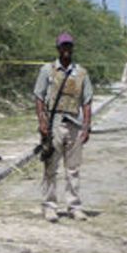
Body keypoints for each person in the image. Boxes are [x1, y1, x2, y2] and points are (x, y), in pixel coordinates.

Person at [34, 32, 93, 222]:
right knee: (51, 167)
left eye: (69, 46)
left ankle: (74, 206)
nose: (66, 50)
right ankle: (50, 206)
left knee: (73, 169)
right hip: (54, 124)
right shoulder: (47, 71)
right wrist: (42, 122)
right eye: (63, 47)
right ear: (58, 49)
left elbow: (87, 101)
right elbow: (39, 97)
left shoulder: (81, 73)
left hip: (74, 124)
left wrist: (86, 126)